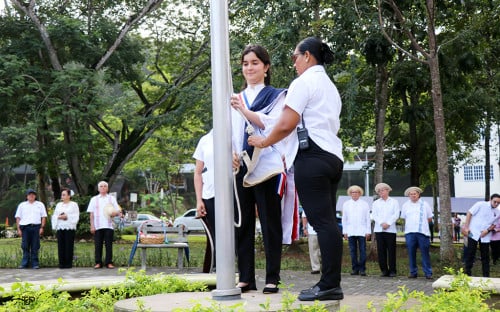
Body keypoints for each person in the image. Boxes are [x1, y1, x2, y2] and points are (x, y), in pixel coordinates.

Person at [248, 37, 344, 301]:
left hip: (311, 156)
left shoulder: (304, 82)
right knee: (328, 222)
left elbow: (286, 123)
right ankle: (331, 283)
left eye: (294, 57)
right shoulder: (329, 86)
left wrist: (265, 141)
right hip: (333, 156)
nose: (293, 64)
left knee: (321, 222)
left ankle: (328, 285)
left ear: (307, 57)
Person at [230, 44, 288, 294]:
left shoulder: (277, 96)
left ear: (266, 67)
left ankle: (272, 277)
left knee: (269, 223)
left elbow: (273, 125)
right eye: (245, 63)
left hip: (267, 167)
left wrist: (244, 111)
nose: (249, 68)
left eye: (254, 63)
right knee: (242, 224)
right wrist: (230, 154)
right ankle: (246, 277)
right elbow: (230, 133)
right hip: (241, 167)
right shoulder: (233, 98)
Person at [193, 129, 216, 273]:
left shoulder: (236, 134)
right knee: (213, 236)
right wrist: (199, 200)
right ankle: (213, 269)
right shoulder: (205, 140)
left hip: (232, 191)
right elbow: (197, 172)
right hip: (209, 194)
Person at [462, 193, 500, 277]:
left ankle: (486, 276)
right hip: (473, 232)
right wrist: (467, 227)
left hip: (485, 236)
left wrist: (487, 231)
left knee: (485, 256)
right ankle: (467, 274)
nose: (496, 204)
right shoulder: (480, 204)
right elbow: (469, 213)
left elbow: (494, 225)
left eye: (498, 203)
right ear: (490, 199)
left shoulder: (497, 212)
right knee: (470, 253)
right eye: (495, 202)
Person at [400, 186, 433, 279]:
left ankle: (428, 272)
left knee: (425, 253)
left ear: (418, 194)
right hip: (410, 232)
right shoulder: (405, 205)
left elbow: (430, 218)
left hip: (423, 232)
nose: (413, 195)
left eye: (415, 194)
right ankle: (413, 272)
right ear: (408, 195)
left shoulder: (425, 204)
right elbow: (403, 217)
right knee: (411, 253)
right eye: (411, 194)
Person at [87, 181, 121, 269]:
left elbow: (118, 211)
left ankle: (109, 262)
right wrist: (92, 225)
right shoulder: (94, 199)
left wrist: (115, 213)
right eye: (101, 186)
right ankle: (98, 262)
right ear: (98, 189)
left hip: (109, 225)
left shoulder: (111, 199)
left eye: (105, 186)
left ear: (107, 188)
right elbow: (91, 214)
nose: (103, 188)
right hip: (98, 225)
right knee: (98, 245)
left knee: (109, 245)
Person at [371, 182, 400, 278]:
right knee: (381, 251)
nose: (381, 192)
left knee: (391, 251)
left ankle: (392, 271)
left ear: (388, 190)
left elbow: (396, 214)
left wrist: (388, 223)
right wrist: (381, 223)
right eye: (379, 191)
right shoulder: (375, 203)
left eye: (383, 190)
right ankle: (384, 270)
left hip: (390, 230)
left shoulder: (394, 202)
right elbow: (374, 215)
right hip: (379, 230)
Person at [342, 185, 371, 276]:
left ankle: (362, 269)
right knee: (352, 251)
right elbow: (344, 219)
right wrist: (345, 232)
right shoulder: (346, 204)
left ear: (360, 193)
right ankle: (355, 269)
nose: (354, 194)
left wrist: (368, 231)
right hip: (350, 231)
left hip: (362, 231)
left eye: (356, 192)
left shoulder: (364, 204)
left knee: (362, 250)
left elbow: (367, 218)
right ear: (350, 194)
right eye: (352, 192)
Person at [15, 188, 47, 269]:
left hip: (36, 227)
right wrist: (18, 229)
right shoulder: (22, 205)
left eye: (33, 194)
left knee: (35, 246)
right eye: (29, 194)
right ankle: (24, 263)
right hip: (25, 228)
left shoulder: (40, 205)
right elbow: (18, 218)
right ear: (27, 196)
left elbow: (43, 217)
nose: (31, 196)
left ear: (35, 196)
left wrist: (42, 227)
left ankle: (35, 263)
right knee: (25, 246)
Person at [51, 188, 80, 269]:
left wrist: (67, 216)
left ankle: (68, 263)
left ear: (69, 196)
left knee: (69, 245)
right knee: (61, 245)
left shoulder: (74, 204)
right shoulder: (59, 205)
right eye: (62, 195)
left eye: (64, 195)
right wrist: (59, 217)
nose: (62, 196)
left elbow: (76, 215)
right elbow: (54, 215)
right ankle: (61, 263)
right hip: (60, 227)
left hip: (69, 227)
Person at [302, 210, 321, 274]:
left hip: (324, 231)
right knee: (313, 250)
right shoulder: (308, 203)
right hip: (312, 231)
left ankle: (326, 267)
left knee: (324, 250)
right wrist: (304, 228)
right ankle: (316, 268)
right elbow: (304, 217)